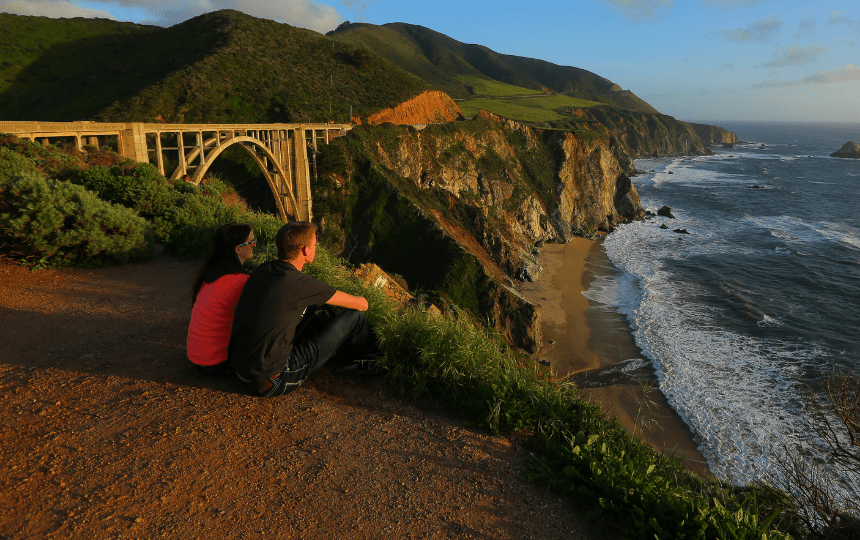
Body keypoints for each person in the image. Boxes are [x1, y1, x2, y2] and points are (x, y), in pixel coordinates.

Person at [229, 221, 374, 397]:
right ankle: (365, 363)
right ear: (305, 251)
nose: (317, 245)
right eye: (315, 243)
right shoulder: (300, 284)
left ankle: (340, 357)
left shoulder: (263, 269)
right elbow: (361, 304)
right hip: (272, 380)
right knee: (355, 317)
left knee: (320, 309)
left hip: (240, 371)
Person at [187, 223, 256, 375]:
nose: (254, 245)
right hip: (217, 364)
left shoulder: (212, 272)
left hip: (198, 357)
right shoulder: (239, 280)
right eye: (251, 242)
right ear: (238, 249)